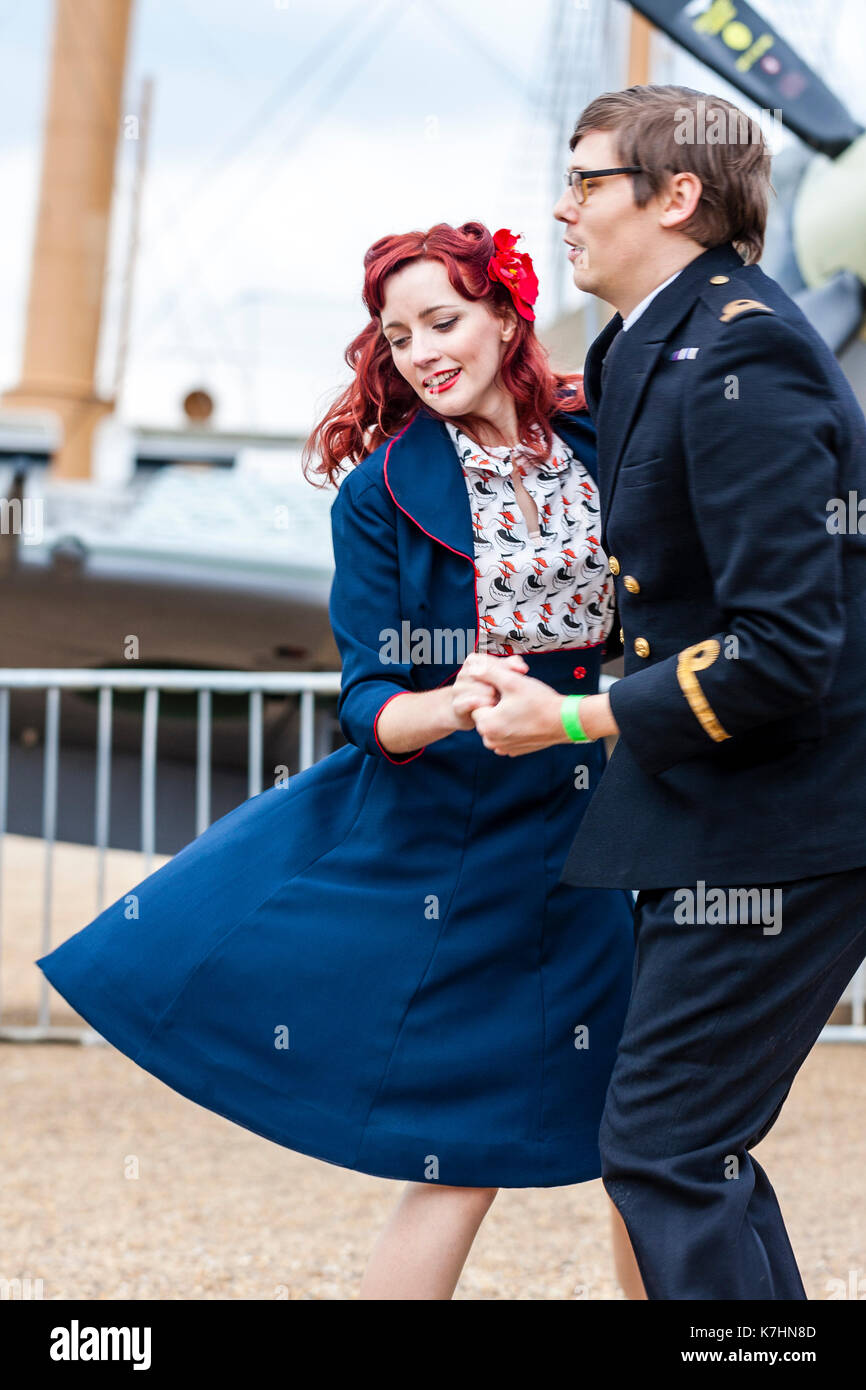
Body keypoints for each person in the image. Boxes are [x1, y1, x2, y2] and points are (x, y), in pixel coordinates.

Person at [36, 220, 642, 1300]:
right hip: (462, 844)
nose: (418, 350)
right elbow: (366, 703)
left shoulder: (611, 442)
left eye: (442, 321)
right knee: (457, 1157)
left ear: (508, 315)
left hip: (609, 826)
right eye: (396, 333)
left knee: (652, 1144)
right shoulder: (378, 494)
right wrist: (450, 703)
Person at [461, 84, 866, 1300]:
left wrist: (575, 718)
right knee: (687, 1145)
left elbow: (784, 644)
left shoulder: (742, 345)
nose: (560, 207)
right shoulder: (645, 340)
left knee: (665, 1145)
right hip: (712, 804)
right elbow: (668, 590)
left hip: (782, 821)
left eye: (585, 180)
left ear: (676, 196)